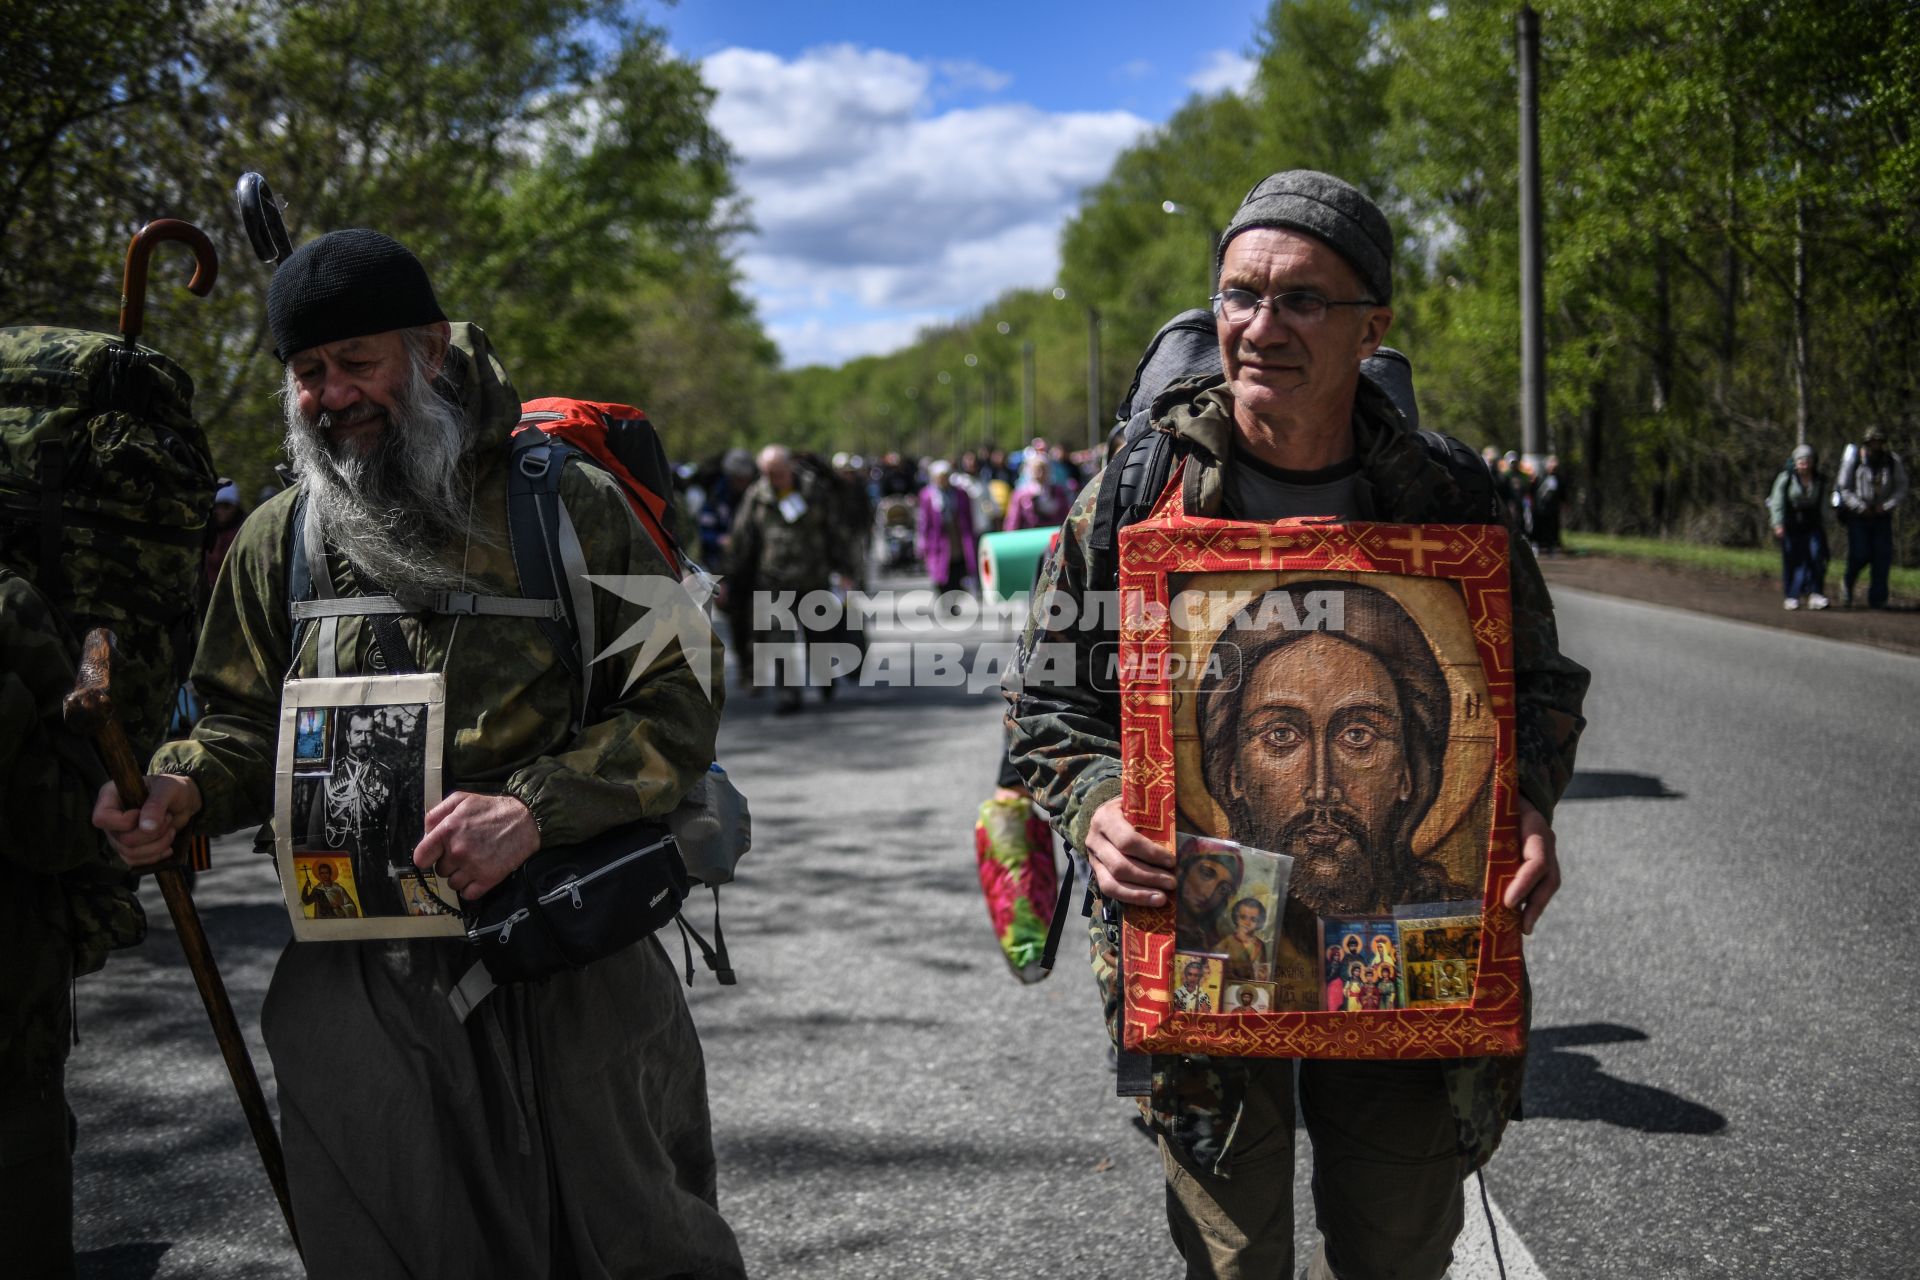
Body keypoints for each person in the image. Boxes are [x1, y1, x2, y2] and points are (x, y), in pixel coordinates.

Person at [91, 228, 743, 1278]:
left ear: (430, 350)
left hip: (568, 948)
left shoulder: (568, 503)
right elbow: (236, 721)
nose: (331, 393)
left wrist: (534, 806)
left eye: (359, 363)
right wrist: (180, 789)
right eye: (308, 372)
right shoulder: (277, 538)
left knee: (634, 1243)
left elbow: (683, 698)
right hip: (363, 981)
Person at [1006, 170, 1590, 1280]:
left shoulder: (1444, 493)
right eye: (1239, 296)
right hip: (1206, 932)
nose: (1260, 328)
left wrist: (1523, 802)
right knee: (1233, 1258)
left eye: (1301, 301)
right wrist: (1097, 807)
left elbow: (1538, 683)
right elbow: (1047, 705)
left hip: (1408, 942)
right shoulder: (1142, 484)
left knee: (1400, 1242)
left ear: (1374, 324)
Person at [1196, 581, 1477, 916]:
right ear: (1232, 772)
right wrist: (1127, 805)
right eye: (1281, 735)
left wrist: (1527, 789)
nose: (1321, 789)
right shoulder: (1197, 919)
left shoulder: (1452, 918)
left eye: (1359, 736)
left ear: (1408, 772)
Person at [729, 443, 850, 715]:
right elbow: (743, 538)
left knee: (819, 636)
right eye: (769, 473)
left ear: (790, 468)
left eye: (779, 472)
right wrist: (734, 576)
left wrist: (844, 569)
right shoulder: (757, 495)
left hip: (813, 578)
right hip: (773, 581)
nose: (775, 478)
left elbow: (835, 530)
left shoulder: (814, 490)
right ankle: (788, 695)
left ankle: (825, 677)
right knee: (778, 640)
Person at [1834, 426, 1908, 608]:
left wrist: (1887, 506)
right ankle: (1847, 583)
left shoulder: (1892, 461)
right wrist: (1860, 507)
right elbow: (1843, 488)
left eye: (1879, 442)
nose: (1876, 445)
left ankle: (1878, 599)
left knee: (1882, 557)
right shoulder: (1855, 460)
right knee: (1860, 554)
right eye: (1873, 442)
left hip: (1882, 515)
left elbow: (1901, 487)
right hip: (1858, 514)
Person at [1768, 443, 1831, 610]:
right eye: (1801, 460)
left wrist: (1827, 522)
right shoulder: (1786, 478)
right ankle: (1792, 595)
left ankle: (1816, 593)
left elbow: (1824, 504)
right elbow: (1777, 502)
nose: (1805, 464)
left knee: (1817, 555)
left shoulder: (1820, 480)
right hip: (1792, 523)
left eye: (1808, 460)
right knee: (1795, 560)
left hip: (1812, 523)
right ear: (1795, 462)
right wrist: (1777, 523)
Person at [917, 460, 979, 596]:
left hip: (957, 538)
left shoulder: (960, 494)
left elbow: (968, 516)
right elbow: (924, 522)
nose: (942, 480)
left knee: (958, 571)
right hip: (938, 540)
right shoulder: (927, 496)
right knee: (940, 574)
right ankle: (944, 600)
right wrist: (923, 542)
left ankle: (954, 601)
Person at [1003, 450, 1075, 531]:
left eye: (1043, 469)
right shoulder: (1020, 494)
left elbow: (1065, 515)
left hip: (1053, 535)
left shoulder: (1058, 491)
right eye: (1036, 469)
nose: (1040, 473)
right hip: (1030, 537)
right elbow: (1013, 520)